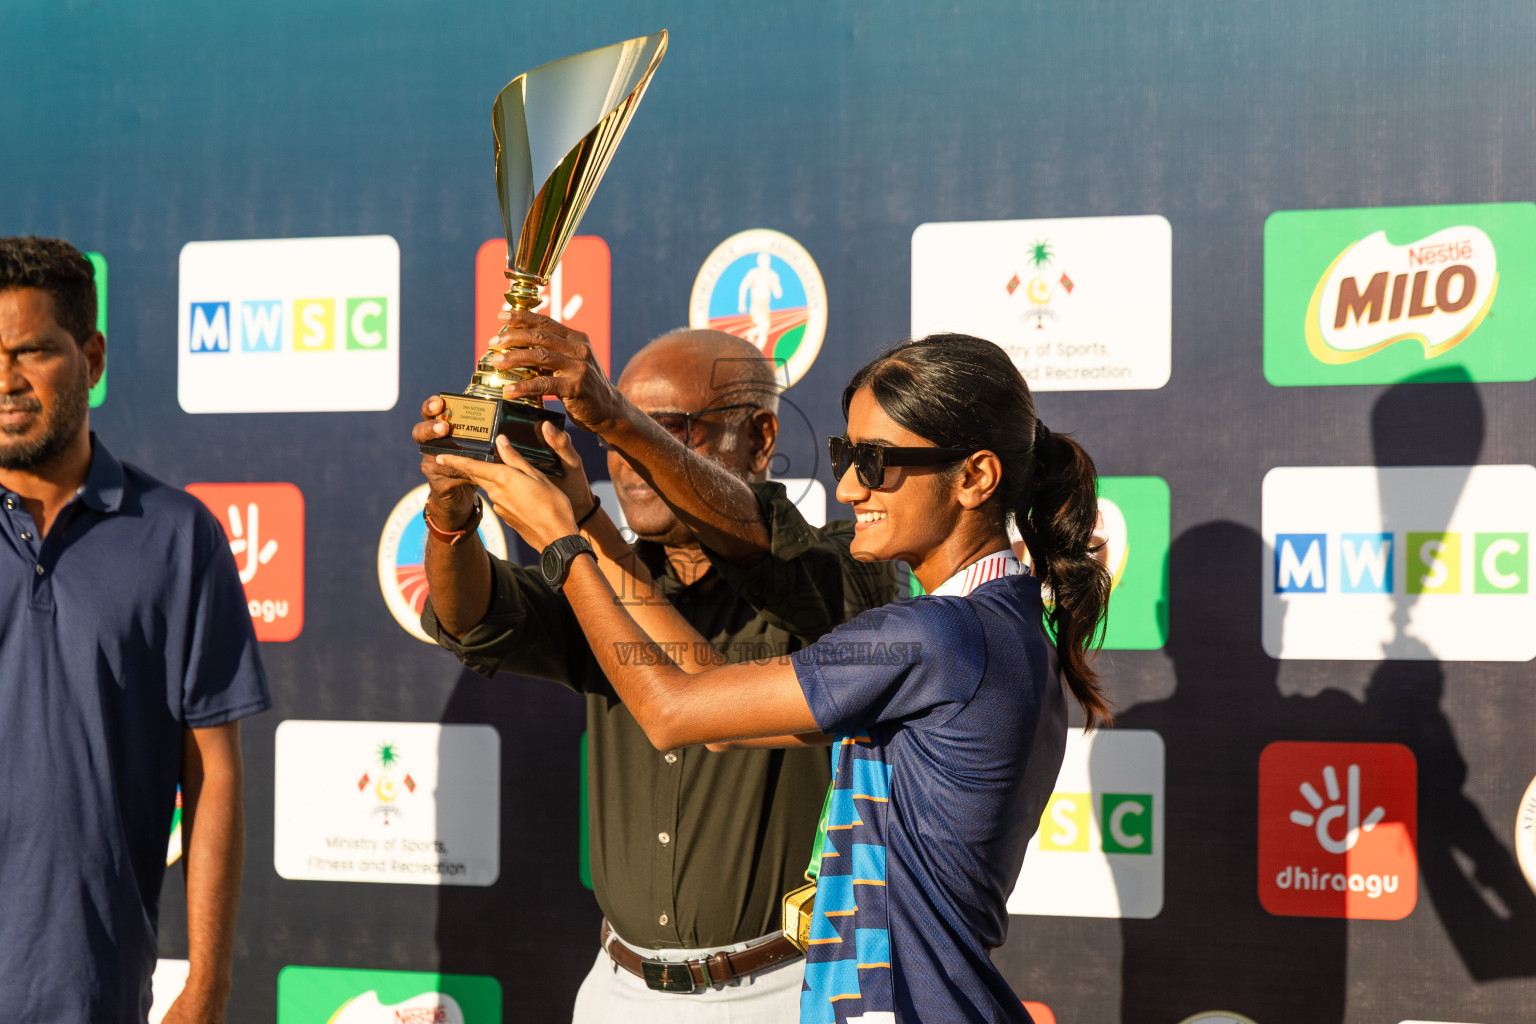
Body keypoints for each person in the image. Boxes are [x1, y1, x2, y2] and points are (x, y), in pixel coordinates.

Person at [440, 332, 1112, 1024]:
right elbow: (709, 702)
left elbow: (671, 710)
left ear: (975, 477)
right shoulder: (996, 620)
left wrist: (562, 542)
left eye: (877, 463)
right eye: (846, 457)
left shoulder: (934, 635)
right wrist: (586, 517)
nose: (850, 487)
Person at [412, 311, 904, 1022]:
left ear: (761, 438)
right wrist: (450, 511)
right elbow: (471, 616)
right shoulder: (597, 574)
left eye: (665, 426)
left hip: (780, 988)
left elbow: (759, 542)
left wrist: (610, 415)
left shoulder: (839, 571)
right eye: (609, 434)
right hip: (619, 990)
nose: (624, 455)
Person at [0, 237, 271, 1022]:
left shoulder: (178, 537)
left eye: (32, 352)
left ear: (92, 356)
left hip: (91, 986)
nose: (6, 380)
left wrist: (209, 981)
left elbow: (213, 774)